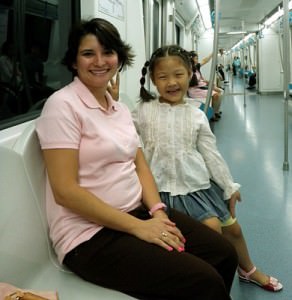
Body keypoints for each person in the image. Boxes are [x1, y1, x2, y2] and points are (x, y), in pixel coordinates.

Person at [35, 18, 238, 300]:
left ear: (119, 58)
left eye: (108, 52)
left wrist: (156, 211)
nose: (99, 61)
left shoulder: (117, 108)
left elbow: (139, 164)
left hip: (137, 212)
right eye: (88, 53)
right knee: (204, 282)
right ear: (73, 61)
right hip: (90, 236)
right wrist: (139, 228)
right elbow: (65, 192)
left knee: (224, 253)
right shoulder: (62, 106)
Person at [132, 44, 283, 293]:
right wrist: (111, 100)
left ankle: (247, 269)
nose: (172, 82)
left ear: (190, 73)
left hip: (197, 185)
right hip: (161, 191)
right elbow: (118, 133)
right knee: (211, 231)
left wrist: (228, 186)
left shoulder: (196, 114)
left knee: (233, 228)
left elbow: (211, 155)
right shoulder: (143, 112)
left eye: (178, 74)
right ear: (152, 80)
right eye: (163, 76)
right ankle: (205, 283)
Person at [188, 51, 223, 121]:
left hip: (201, 87)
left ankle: (215, 110)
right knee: (217, 95)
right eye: (196, 58)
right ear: (191, 59)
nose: (197, 60)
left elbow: (205, 60)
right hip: (195, 90)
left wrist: (212, 53)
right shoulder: (188, 70)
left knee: (220, 91)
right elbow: (192, 83)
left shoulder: (196, 67)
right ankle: (213, 114)